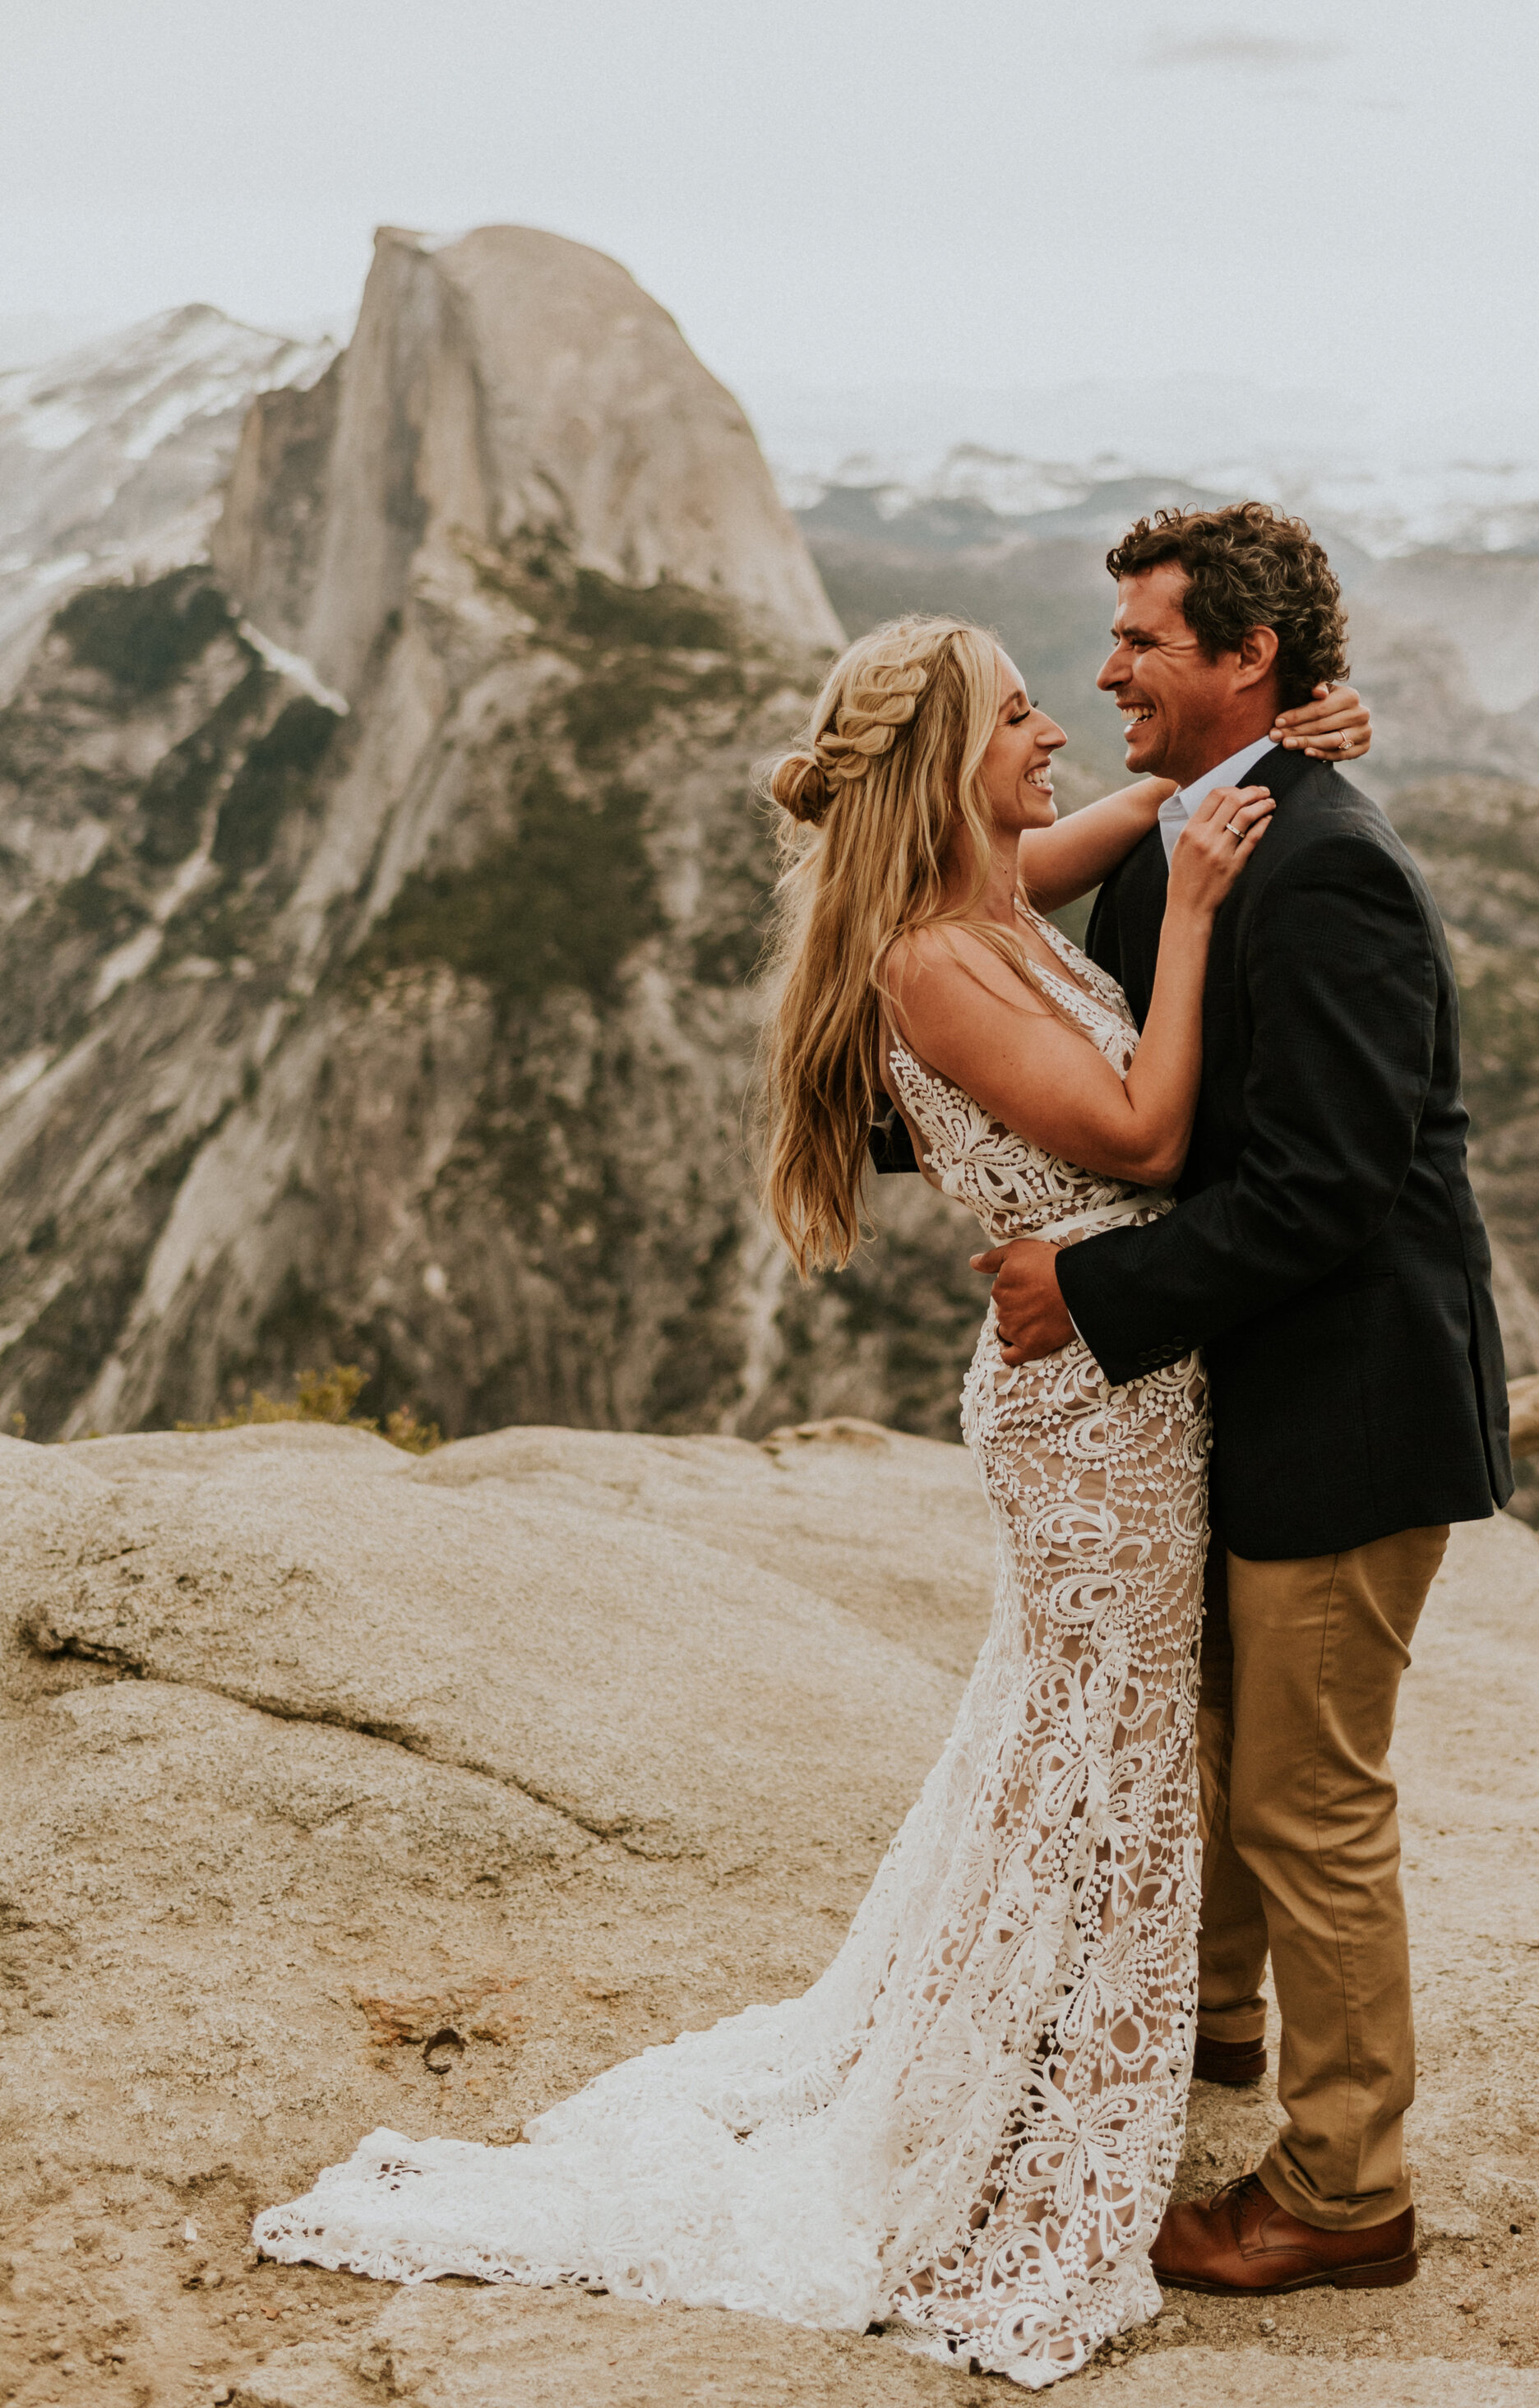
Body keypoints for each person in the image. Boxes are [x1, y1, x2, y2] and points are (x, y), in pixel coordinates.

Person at [252, 611, 1373, 2388]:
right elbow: (1151, 1136)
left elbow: (1151, 803)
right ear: (945, 764)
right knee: (1103, 1743)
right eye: (1019, 717)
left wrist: (1271, 738)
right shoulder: (933, 958)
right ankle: (1017, 2101)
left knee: (1082, 1741)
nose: (1050, 736)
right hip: (1088, 1412)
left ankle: (1053, 2052)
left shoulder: (988, 891)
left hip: (1121, 1389)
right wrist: (1211, 915)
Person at [980, 502, 1511, 2302]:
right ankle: (1206, 2028)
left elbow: (1332, 1187)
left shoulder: (1327, 862)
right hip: (1241, 1395)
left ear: (1243, 662)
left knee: (1307, 1801)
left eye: (1140, 640)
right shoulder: (1201, 834)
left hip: (1347, 1411)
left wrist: (1090, 1288)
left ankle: (1343, 2188)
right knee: (1213, 1746)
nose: (1106, 668)